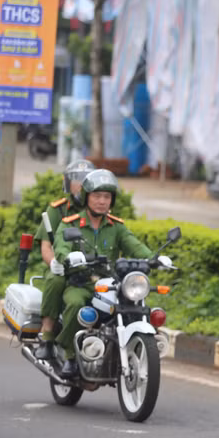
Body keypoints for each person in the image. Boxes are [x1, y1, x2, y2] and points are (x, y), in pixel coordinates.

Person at [51, 170, 172, 379]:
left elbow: (135, 246)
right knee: (75, 304)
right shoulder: (71, 223)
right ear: (86, 197)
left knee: (135, 307)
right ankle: (70, 356)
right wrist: (69, 256)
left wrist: (156, 258)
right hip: (80, 283)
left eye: (106, 197)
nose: (102, 201)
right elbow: (61, 246)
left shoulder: (116, 226)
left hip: (111, 284)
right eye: (97, 196)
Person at [33, 159, 96, 360]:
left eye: (86, 179)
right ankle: (47, 335)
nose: (81, 184)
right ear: (68, 183)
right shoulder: (58, 210)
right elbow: (46, 246)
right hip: (62, 266)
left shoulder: (98, 210)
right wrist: (55, 263)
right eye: (77, 179)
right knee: (55, 280)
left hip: (91, 268)